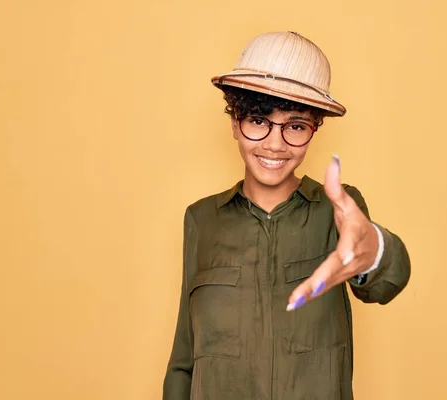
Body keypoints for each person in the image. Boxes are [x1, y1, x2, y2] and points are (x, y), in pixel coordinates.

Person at [162, 31, 411, 400]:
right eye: (258, 120)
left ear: (313, 130)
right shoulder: (201, 218)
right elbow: (185, 357)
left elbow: (388, 281)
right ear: (235, 121)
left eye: (295, 125)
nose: (275, 143)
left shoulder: (338, 208)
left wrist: (374, 251)